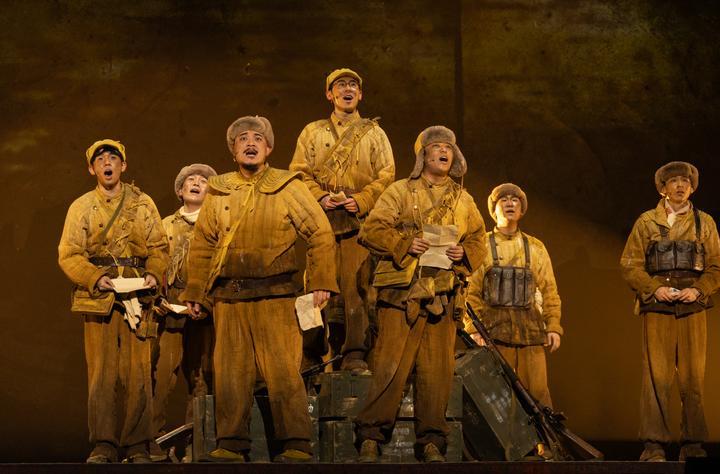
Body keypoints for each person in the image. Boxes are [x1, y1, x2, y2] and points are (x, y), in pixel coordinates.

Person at [181, 116, 339, 463]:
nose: (250, 143)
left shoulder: (287, 186)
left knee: (283, 374)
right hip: (229, 297)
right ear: (233, 149)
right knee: (230, 374)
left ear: (268, 148)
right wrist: (196, 292)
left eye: (257, 138)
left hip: (276, 296)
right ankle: (231, 443)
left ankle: (296, 443)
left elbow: (320, 233)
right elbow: (204, 244)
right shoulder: (219, 189)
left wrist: (321, 281)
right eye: (242, 139)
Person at [354, 126, 486, 463]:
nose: (443, 152)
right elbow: (371, 229)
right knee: (390, 367)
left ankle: (432, 442)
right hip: (402, 294)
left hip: (443, 296)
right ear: (423, 155)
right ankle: (370, 437)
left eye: (449, 148)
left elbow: (478, 238)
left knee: (436, 373)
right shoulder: (400, 191)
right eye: (436, 146)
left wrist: (465, 252)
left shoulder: (463, 200)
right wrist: (403, 243)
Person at [58, 139, 168, 463]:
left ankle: (137, 445)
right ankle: (104, 445)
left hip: (137, 295)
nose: (107, 162)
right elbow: (69, 253)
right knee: (102, 374)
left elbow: (159, 246)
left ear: (124, 165)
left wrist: (154, 273)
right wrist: (94, 277)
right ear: (91, 169)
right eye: (100, 159)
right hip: (100, 297)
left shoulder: (142, 203)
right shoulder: (81, 206)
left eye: (113, 158)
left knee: (138, 373)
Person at [290, 68, 395, 374]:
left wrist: (361, 200)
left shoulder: (374, 133)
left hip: (358, 221)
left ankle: (355, 352)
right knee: (315, 287)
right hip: (321, 220)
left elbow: (386, 175)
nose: (347, 89)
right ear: (329, 94)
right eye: (340, 85)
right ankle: (311, 353)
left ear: (360, 94)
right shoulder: (312, 132)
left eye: (352, 85)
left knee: (356, 287)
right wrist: (320, 197)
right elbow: (299, 172)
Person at [621, 161, 720, 462]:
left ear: (692, 188)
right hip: (658, 307)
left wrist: (699, 290)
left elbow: (716, 267)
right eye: (674, 181)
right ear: (663, 188)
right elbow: (630, 265)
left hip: (692, 308)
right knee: (656, 378)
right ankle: (654, 446)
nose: (680, 186)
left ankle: (693, 444)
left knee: (693, 378)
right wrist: (654, 288)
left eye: (685, 181)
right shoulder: (647, 222)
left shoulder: (705, 223)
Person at [464, 183, 562, 459]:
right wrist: (473, 329)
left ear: (522, 209)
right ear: (493, 209)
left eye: (515, 200)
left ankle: (546, 448)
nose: (510, 203)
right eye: (503, 200)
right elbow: (470, 292)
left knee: (538, 393)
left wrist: (553, 326)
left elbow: (550, 290)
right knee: (500, 397)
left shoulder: (536, 247)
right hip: (494, 333)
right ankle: (508, 452)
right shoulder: (482, 245)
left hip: (530, 331)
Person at [150, 163, 217, 462]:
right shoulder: (165, 225)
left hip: (205, 311)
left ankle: (196, 444)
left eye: (203, 180)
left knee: (201, 378)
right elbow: (154, 262)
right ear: (180, 190)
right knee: (162, 376)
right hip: (171, 311)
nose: (196, 183)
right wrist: (157, 298)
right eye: (190, 179)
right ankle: (152, 444)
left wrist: (207, 301)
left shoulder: (216, 226)